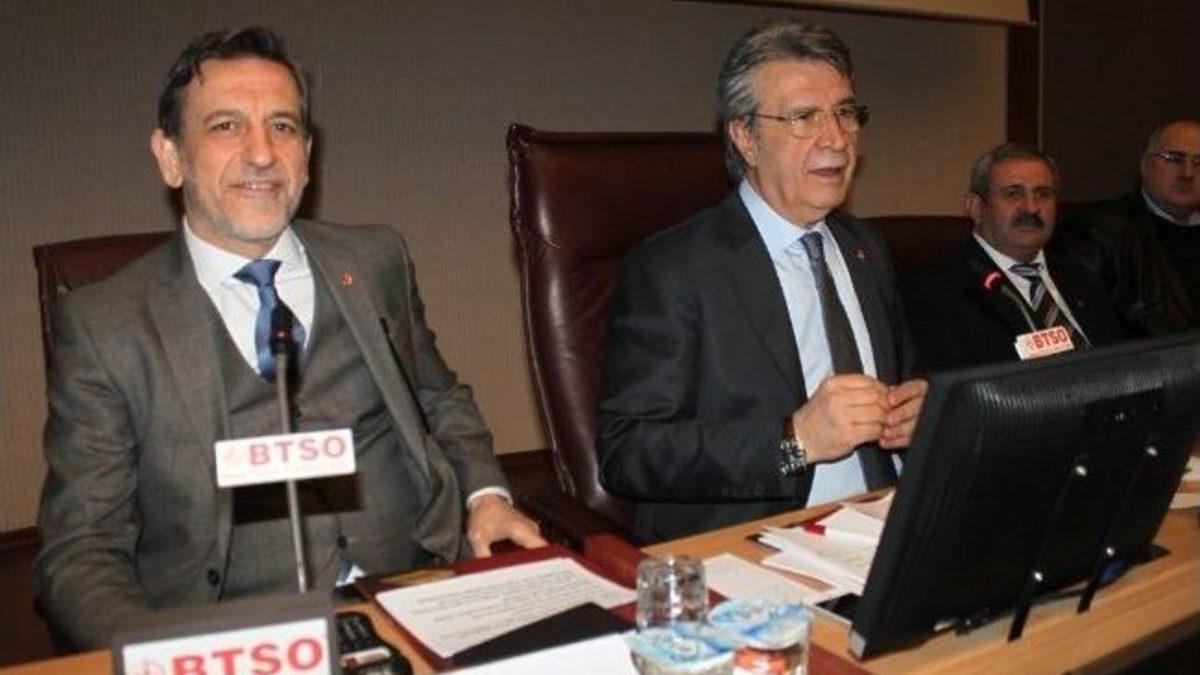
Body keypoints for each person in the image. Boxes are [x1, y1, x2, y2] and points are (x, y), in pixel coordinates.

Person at [33, 27, 543, 651]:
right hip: (235, 640)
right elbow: (81, 548)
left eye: (282, 126)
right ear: (170, 157)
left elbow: (439, 399)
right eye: (225, 126)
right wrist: (165, 655)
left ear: (307, 151)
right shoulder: (105, 324)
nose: (261, 154)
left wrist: (485, 496)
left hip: (418, 594)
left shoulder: (374, 261)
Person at [597, 19, 927, 543]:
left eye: (845, 113)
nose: (836, 139)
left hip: (887, 523)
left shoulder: (866, 247)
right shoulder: (673, 268)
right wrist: (795, 442)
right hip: (758, 543)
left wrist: (918, 416)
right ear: (746, 138)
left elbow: (902, 384)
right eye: (804, 117)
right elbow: (629, 451)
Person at [903, 143, 1125, 372]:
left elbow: (1121, 364)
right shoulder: (936, 290)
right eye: (1013, 194)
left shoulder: (1081, 276)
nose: (1031, 208)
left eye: (1043, 194)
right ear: (976, 207)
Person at [1057, 119, 1200, 336]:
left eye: (1199, 161)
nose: (1188, 173)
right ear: (1144, 166)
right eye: (1174, 158)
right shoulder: (1101, 231)